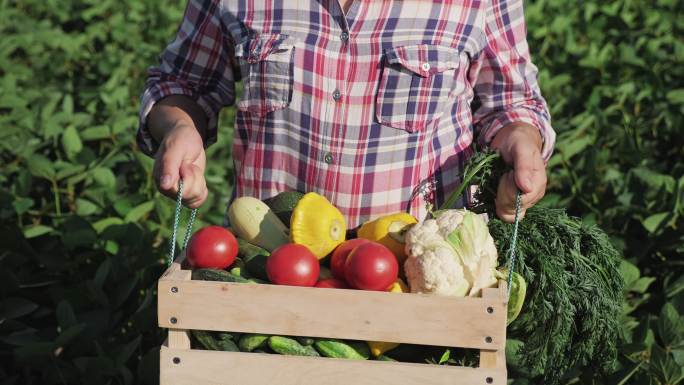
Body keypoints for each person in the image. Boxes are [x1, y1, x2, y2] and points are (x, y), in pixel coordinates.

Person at [138, 0, 555, 228]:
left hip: (418, 272)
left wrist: (521, 142)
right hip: (268, 265)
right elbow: (182, 85)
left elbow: (509, 103)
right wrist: (178, 126)